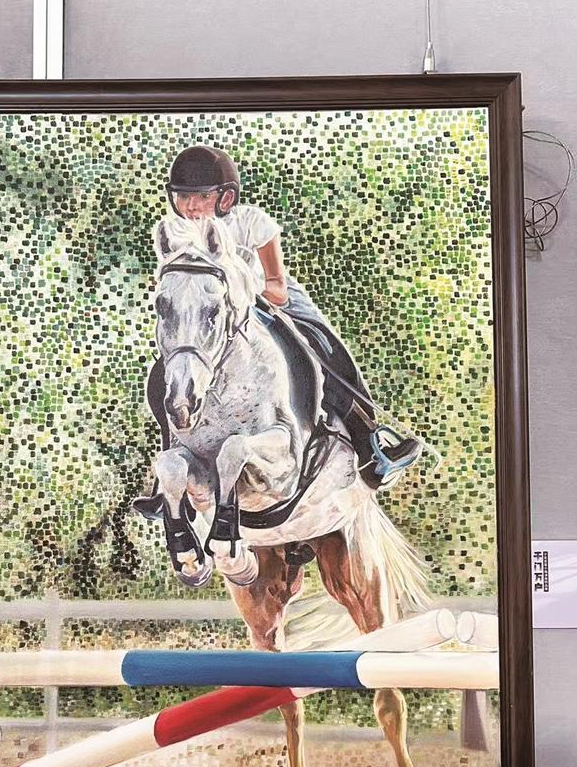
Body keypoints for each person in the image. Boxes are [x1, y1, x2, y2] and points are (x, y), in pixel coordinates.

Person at [141, 144, 421, 506]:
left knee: (324, 346)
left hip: (269, 303)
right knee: (166, 374)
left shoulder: (252, 222)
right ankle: (166, 478)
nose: (191, 206)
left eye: (201, 196)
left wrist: (240, 289)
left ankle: (371, 443)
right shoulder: (174, 232)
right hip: (212, 321)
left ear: (226, 197)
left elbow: (277, 285)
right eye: (183, 196)